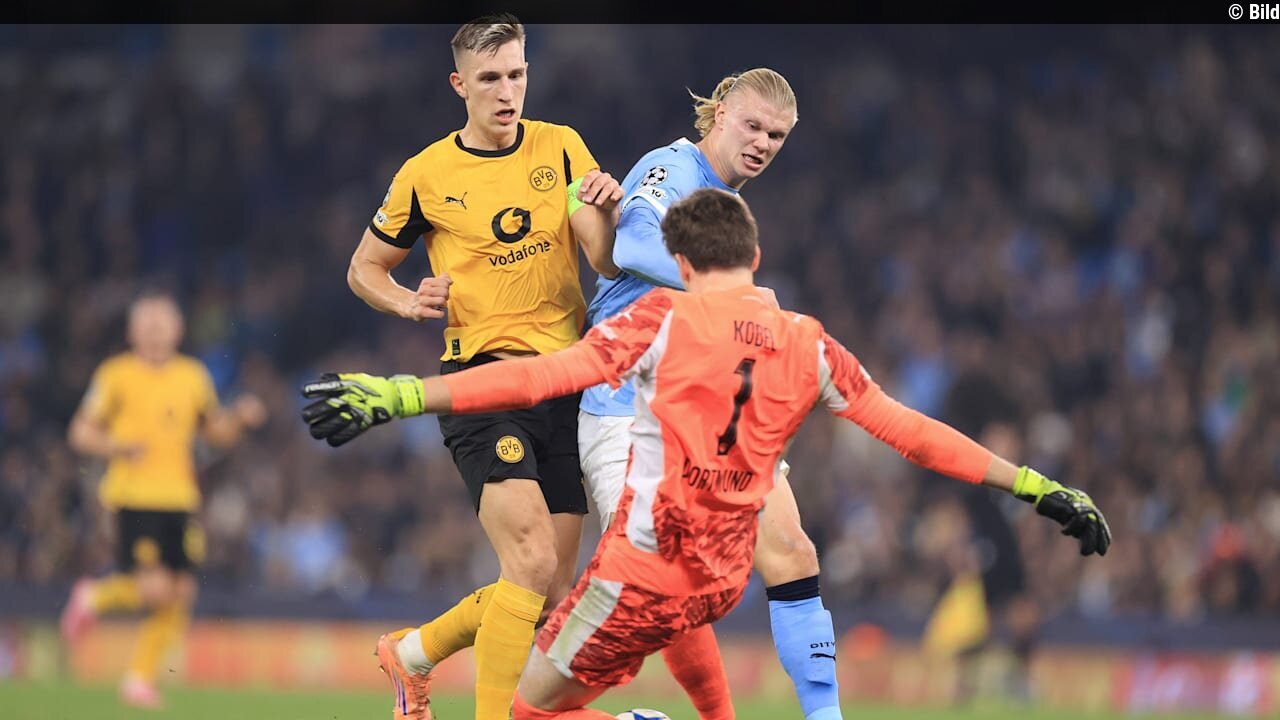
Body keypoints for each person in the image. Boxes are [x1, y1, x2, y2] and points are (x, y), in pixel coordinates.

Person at [301, 188, 1112, 720]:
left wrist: (404, 395)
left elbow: (540, 374)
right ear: (755, 256)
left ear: (682, 266)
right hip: (721, 583)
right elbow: (911, 431)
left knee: (526, 714)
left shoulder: (662, 317)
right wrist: (1036, 486)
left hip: (639, 576)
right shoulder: (809, 341)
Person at [342, 14, 622, 720]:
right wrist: (407, 302)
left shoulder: (562, 148)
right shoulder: (426, 174)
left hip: (566, 383)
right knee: (529, 563)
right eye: (490, 78)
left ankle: (411, 653)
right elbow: (365, 268)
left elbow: (604, 261)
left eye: (517, 74)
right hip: (483, 383)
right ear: (459, 84)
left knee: (550, 593)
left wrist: (606, 211)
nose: (507, 91)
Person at [578, 68, 840, 720]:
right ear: (720, 113)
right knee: (662, 591)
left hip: (706, 407)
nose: (762, 143)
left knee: (791, 550)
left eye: (777, 136)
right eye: (752, 126)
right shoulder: (671, 168)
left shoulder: (727, 202)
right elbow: (633, 243)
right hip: (625, 406)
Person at [59, 291, 267, 709]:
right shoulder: (116, 374)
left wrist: (239, 419)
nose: (155, 330)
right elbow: (80, 432)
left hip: (181, 499)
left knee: (182, 592)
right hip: (134, 497)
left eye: (162, 322)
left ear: (178, 330)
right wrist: (116, 445)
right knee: (155, 590)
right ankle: (94, 597)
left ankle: (139, 679)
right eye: (147, 323)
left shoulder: (192, 376)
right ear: (131, 331)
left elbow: (215, 433)